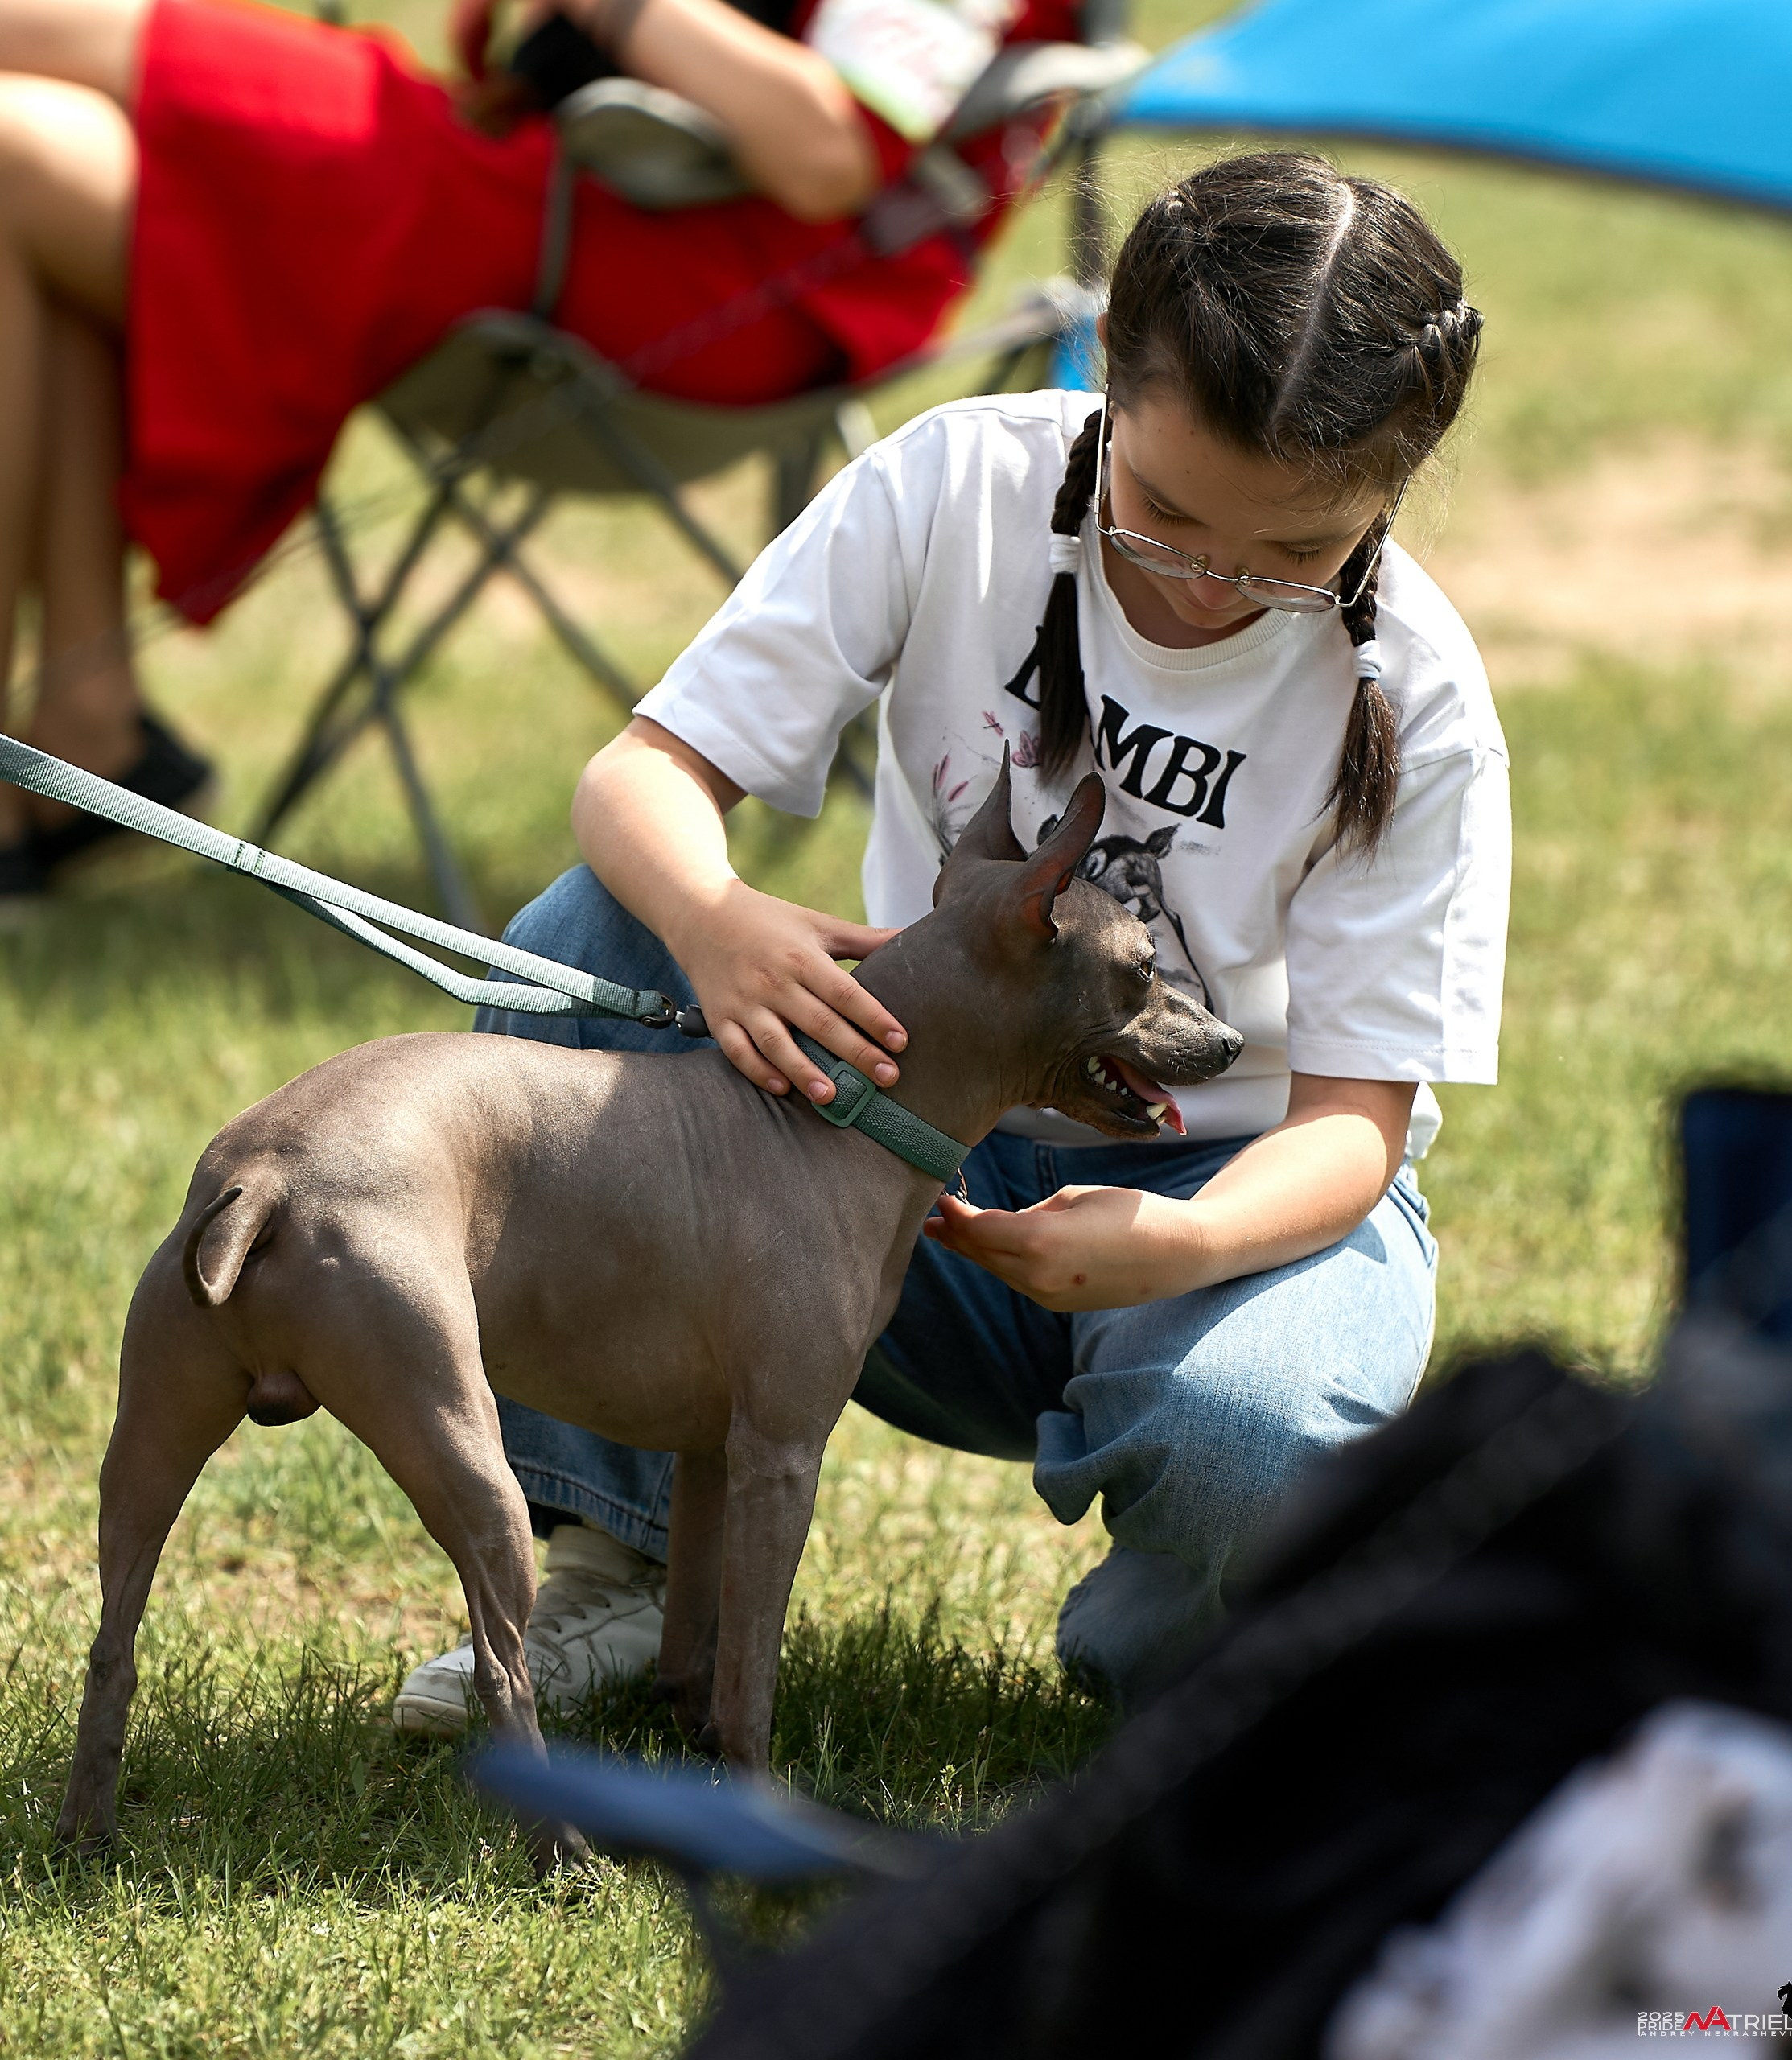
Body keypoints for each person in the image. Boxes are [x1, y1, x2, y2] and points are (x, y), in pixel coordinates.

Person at [391, 149, 1511, 1732]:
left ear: (1386, 501)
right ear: (1103, 389)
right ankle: (617, 1565)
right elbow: (644, 777)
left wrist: (1181, 1245)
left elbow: (1354, 1125)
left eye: (1287, 559)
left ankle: (1170, 1691)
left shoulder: (1425, 697)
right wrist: (712, 919)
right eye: (1170, 518)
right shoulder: (962, 484)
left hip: (1220, 1210)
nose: (1206, 589)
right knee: (592, 941)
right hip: (875, 1153)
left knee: (1258, 1439)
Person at [0, 0, 1073, 908]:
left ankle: (79, 736)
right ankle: (87, 725)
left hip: (671, 267)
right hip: (568, 189)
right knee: (19, 147)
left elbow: (822, 150)